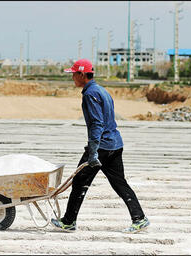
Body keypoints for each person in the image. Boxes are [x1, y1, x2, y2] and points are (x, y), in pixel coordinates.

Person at [51, 59, 150, 233]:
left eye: (74, 74)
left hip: (102, 147)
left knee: (80, 181)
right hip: (115, 144)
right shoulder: (102, 91)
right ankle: (139, 218)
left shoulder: (90, 94)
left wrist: (93, 152)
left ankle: (68, 221)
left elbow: (97, 124)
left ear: (82, 74)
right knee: (120, 183)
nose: (72, 77)